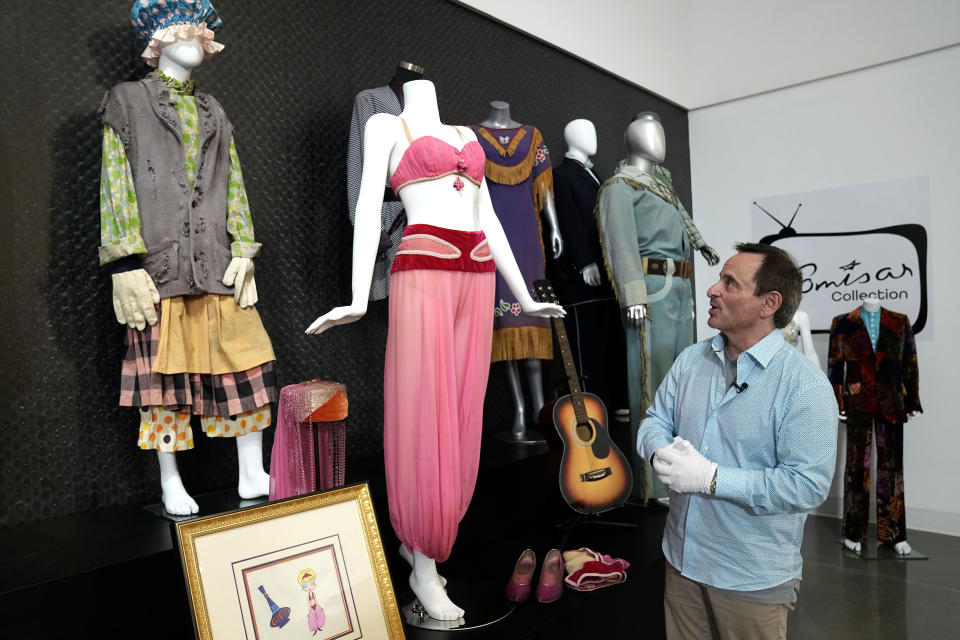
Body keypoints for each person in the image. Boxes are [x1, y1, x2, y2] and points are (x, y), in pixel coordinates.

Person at [306, 80, 563, 621]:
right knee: (427, 416)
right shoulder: (385, 124)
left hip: (478, 273)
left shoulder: (467, 134)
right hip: (422, 269)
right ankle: (423, 567)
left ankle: (426, 545)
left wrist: (526, 298)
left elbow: (488, 217)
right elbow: (370, 211)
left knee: (465, 418)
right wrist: (355, 299)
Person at [637, 242, 837, 640]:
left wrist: (711, 478)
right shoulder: (691, 360)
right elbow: (654, 420)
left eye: (730, 283)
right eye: (719, 279)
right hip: (681, 561)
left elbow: (807, 485)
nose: (713, 289)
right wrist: (660, 450)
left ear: (769, 303)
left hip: (750, 579)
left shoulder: (805, 386)